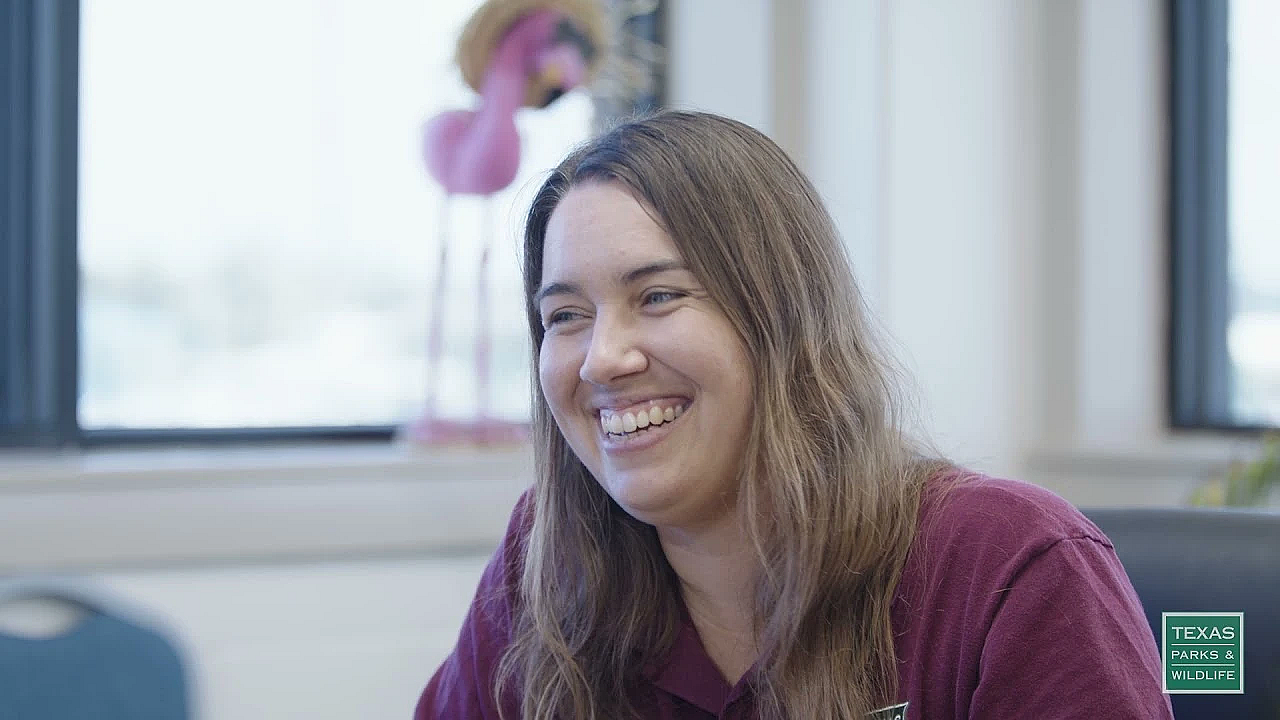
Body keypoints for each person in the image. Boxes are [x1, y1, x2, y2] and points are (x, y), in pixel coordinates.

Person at [414, 111, 1173, 719]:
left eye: (658, 296)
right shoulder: (541, 566)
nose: (601, 359)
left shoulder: (1006, 564)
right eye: (566, 316)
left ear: (781, 319)